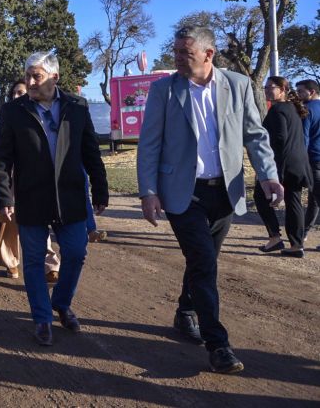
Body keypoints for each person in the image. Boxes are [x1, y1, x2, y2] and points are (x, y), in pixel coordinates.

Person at [137, 26, 283, 374]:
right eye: (175, 54)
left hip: (225, 191)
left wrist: (268, 175)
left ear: (208, 54)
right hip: (182, 193)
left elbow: (254, 134)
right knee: (204, 261)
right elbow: (150, 142)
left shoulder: (237, 84)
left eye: (184, 55)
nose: (176, 61)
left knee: (203, 259)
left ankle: (185, 310)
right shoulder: (164, 90)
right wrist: (148, 191)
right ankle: (218, 345)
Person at [0, 52, 108, 347]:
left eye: (37, 76)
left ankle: (62, 302)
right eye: (28, 75)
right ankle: (42, 319)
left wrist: (100, 187)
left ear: (54, 78)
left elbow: (90, 151)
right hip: (31, 198)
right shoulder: (13, 111)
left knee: (76, 252)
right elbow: (2, 159)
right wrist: (5, 195)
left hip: (70, 196)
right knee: (32, 261)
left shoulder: (76, 106)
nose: (30, 82)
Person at [0, 78, 61, 281]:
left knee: (39, 223)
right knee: (10, 223)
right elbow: (0, 156)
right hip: (10, 180)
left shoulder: (37, 116)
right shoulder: (9, 114)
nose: (17, 96)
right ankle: (11, 262)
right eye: (14, 93)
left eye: (21, 92)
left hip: (32, 180)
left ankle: (50, 264)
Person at [254, 76, 311, 257]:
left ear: (282, 90)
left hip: (284, 163)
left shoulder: (278, 109)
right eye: (266, 87)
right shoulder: (291, 108)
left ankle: (275, 238)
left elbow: (279, 140)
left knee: (260, 195)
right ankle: (296, 245)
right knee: (293, 201)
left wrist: (273, 170)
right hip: (298, 162)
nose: (267, 90)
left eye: (271, 87)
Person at [296, 78, 320, 249]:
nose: (298, 95)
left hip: (313, 160)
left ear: (311, 92)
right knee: (315, 199)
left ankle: (302, 234)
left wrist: (299, 162)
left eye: (301, 91)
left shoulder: (306, 111)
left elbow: (303, 140)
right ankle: (303, 232)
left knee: (316, 198)